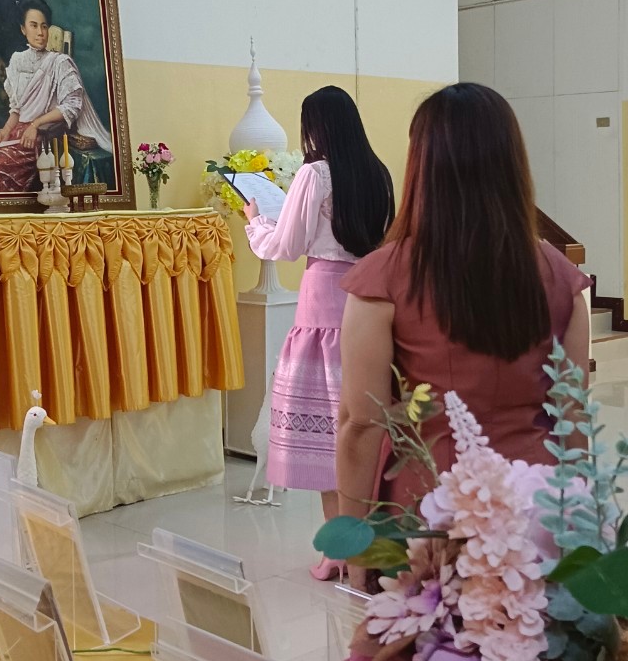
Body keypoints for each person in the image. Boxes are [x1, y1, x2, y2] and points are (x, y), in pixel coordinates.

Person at [336, 83, 590, 586]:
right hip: (535, 510)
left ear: (422, 165)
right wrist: (581, 529)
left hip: (429, 512)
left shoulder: (384, 277)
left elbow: (362, 424)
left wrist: (356, 546)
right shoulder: (560, 276)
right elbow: (573, 417)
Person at [244, 85, 394, 580]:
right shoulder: (378, 172)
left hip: (323, 299)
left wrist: (255, 222)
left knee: (327, 437)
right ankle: (367, 546)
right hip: (369, 298)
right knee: (361, 427)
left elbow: (286, 246)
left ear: (316, 126)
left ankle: (338, 549)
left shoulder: (315, 173)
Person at [0, 0, 113, 195]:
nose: (40, 33)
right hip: (16, 135)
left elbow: (72, 105)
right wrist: (6, 129)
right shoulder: (17, 61)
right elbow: (17, 109)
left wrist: (35, 124)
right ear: (23, 29)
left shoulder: (59, 62)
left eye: (44, 26)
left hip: (39, 141)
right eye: (34, 26)